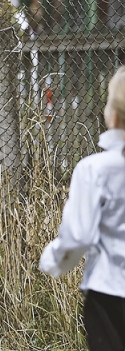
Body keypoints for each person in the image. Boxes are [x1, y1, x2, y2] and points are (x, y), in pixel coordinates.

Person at [40, 67, 125, 350]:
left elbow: (78, 236)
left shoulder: (94, 170)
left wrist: (52, 261)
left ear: (112, 116)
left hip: (110, 293)